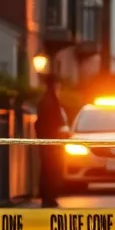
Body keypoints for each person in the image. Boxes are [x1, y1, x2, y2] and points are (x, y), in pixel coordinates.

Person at [34, 75, 68, 208]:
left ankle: (48, 196)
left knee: (47, 169)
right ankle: (49, 197)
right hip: (50, 142)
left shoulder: (46, 100)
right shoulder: (51, 101)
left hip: (47, 141)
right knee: (50, 170)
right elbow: (54, 121)